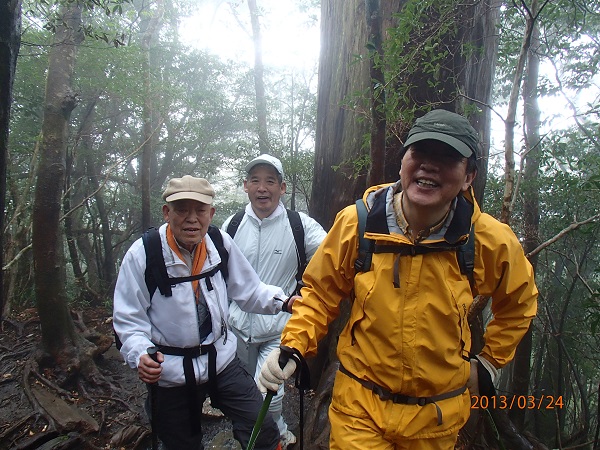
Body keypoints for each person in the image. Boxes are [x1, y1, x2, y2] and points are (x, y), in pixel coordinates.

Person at [258, 109, 539, 449]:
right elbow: (319, 293)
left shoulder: (488, 240)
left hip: (436, 418)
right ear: (403, 161)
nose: (429, 166)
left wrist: (491, 363)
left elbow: (519, 301)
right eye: (419, 153)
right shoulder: (357, 224)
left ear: (469, 176)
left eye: (448, 158)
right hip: (359, 408)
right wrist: (294, 345)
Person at [113, 175, 291, 450]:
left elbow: (250, 290)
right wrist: (140, 355)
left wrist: (285, 301)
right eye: (182, 209)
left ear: (211, 213)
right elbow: (128, 319)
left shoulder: (218, 243)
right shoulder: (145, 253)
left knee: (262, 426)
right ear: (166, 212)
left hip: (220, 360)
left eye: (199, 210)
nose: (192, 219)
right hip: (171, 372)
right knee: (182, 444)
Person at [222, 154, 326, 448]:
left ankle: (271, 435)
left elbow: (332, 253)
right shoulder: (232, 225)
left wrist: (309, 292)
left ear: (282, 188)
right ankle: (268, 433)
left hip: (280, 325)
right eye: (255, 180)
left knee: (271, 390)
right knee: (244, 392)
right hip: (237, 326)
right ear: (245, 186)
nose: (262, 188)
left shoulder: (298, 225)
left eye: (270, 181)